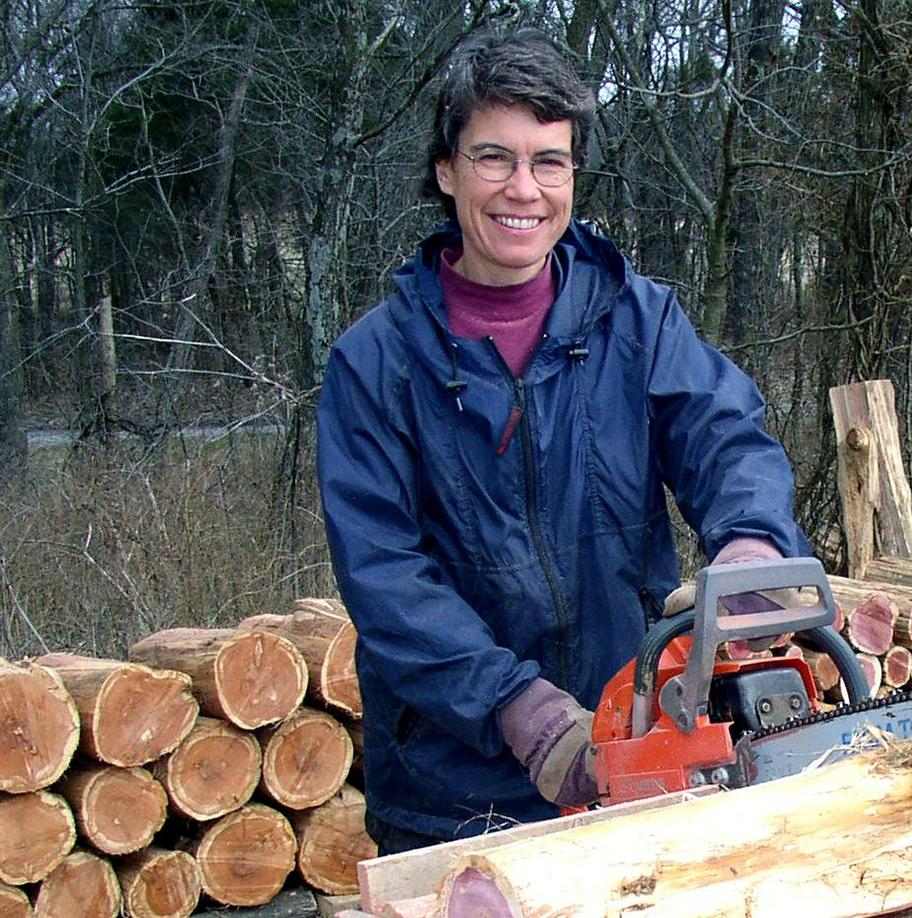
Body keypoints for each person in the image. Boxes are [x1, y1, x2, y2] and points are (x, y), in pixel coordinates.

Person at [316, 26, 811, 856]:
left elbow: (726, 437)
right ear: (445, 171)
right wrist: (523, 711)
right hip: (452, 789)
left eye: (549, 160)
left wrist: (753, 544)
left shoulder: (638, 319)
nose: (525, 188)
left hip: (640, 748)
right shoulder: (377, 362)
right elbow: (387, 579)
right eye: (493, 158)